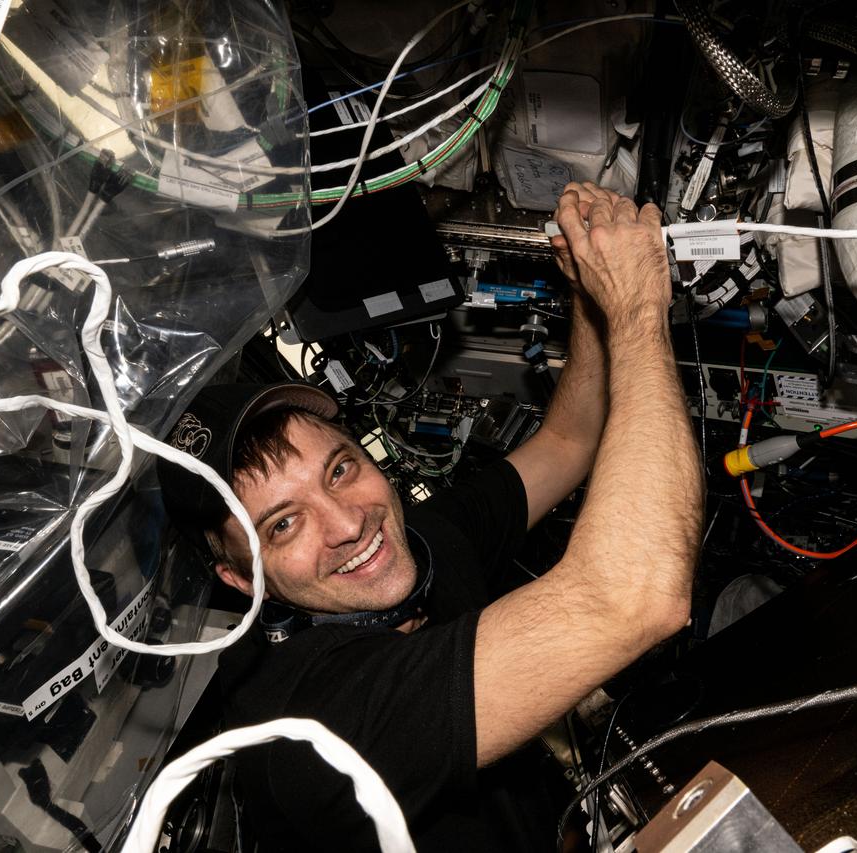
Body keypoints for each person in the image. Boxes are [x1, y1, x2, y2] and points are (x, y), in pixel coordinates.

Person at [158, 182, 704, 850]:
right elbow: (639, 596)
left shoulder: (416, 543)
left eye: (339, 469)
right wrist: (638, 308)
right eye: (284, 524)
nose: (349, 524)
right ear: (239, 579)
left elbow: (568, 440)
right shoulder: (309, 723)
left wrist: (588, 294)